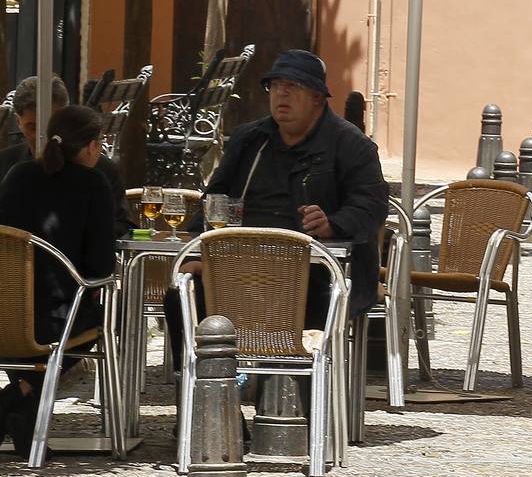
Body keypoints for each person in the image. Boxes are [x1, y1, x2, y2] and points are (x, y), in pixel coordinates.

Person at [164, 49, 389, 367]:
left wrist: (334, 224)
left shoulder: (350, 145)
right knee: (181, 296)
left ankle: (306, 401)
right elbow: (214, 201)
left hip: (317, 275)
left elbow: (372, 206)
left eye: (293, 86)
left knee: (318, 307)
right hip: (240, 268)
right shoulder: (250, 139)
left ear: (316, 98)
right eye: (276, 85)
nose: (282, 93)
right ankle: (201, 398)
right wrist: (200, 255)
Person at [0, 105, 118, 455]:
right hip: (54, 320)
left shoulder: (19, 174)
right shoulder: (94, 183)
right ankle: (17, 395)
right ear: (90, 147)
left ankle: (23, 413)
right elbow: (101, 268)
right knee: (102, 318)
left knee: (38, 337)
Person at [0, 75, 133, 238]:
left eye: (49, 125)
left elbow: (123, 225)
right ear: (18, 121)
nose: (40, 135)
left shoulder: (102, 169)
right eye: (32, 127)